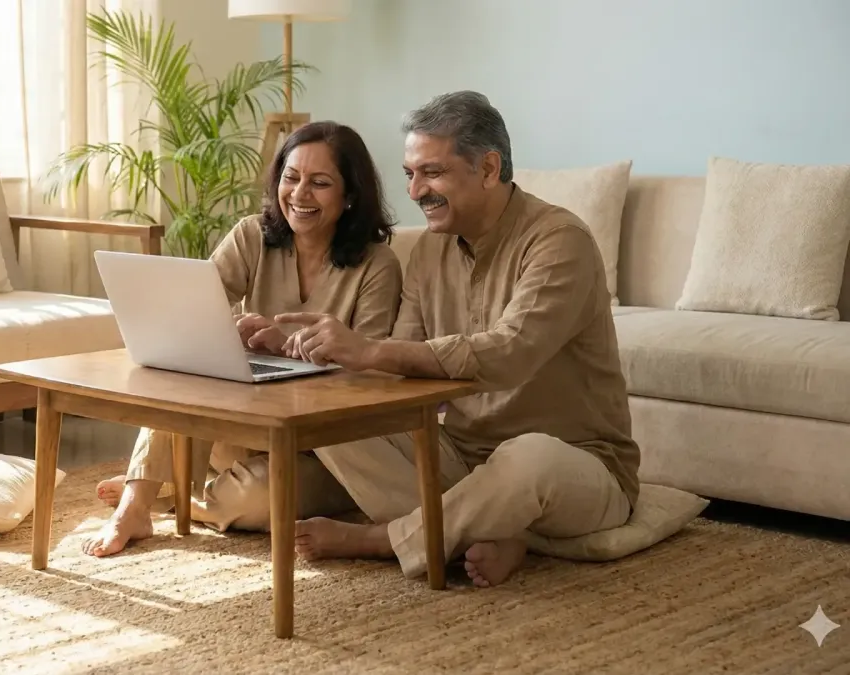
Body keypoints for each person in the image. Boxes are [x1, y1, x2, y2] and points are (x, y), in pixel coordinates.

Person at [275, 91, 640, 588]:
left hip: (573, 464)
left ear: (488, 168)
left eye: (432, 173)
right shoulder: (428, 249)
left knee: (529, 456)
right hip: (461, 458)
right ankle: (484, 531)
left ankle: (385, 540)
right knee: (328, 408)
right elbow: (397, 371)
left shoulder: (559, 241)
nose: (414, 191)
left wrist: (371, 349)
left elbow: (510, 353)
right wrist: (304, 349)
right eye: (409, 174)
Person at [82, 120, 405, 557]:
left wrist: (283, 345)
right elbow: (192, 316)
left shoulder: (378, 265)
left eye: (320, 183)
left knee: (255, 503)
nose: (299, 194)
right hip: (236, 430)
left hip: (319, 450)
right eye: (290, 178)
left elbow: (366, 376)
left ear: (350, 195)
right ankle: (134, 508)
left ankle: (176, 494)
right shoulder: (252, 236)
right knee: (182, 373)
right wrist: (222, 334)